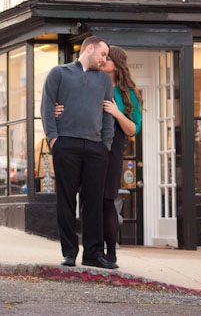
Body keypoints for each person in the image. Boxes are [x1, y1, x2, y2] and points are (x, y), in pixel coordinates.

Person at [55, 45, 142, 267]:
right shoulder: (90, 81)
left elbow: (134, 129)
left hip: (112, 148)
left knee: (106, 200)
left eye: (108, 58)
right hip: (87, 144)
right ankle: (92, 251)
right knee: (87, 200)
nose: (103, 61)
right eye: (102, 57)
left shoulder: (127, 94)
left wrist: (116, 113)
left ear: (118, 64)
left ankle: (110, 253)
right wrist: (57, 110)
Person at [40, 36, 116, 269]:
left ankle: (93, 254)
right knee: (66, 201)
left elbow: (107, 113)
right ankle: (69, 252)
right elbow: (46, 105)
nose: (104, 60)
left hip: (95, 148)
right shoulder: (58, 73)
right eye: (103, 54)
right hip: (66, 146)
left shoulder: (104, 80)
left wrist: (106, 144)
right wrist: (54, 139)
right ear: (89, 49)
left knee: (93, 202)